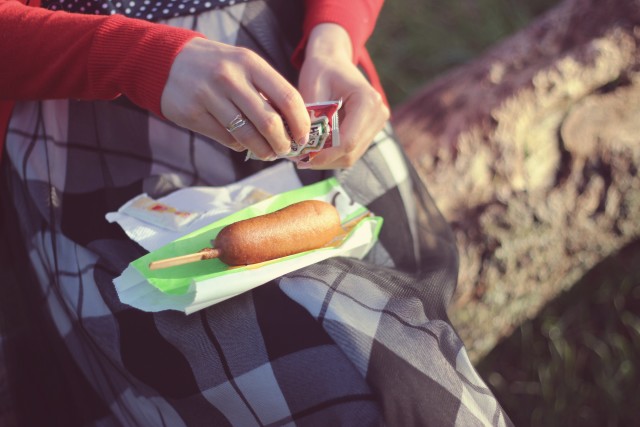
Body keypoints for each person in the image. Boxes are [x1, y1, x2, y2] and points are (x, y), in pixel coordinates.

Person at [0, 0, 512, 425]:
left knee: (409, 362)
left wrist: (333, 38)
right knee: (333, 390)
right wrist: (139, 58)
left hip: (293, 87)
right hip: (91, 124)